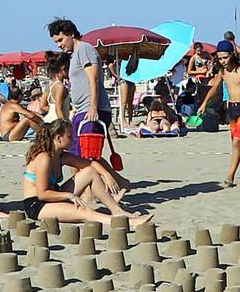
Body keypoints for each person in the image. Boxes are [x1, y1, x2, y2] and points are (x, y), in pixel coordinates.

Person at [22, 119, 152, 226]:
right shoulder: (44, 158)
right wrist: (69, 196)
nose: (73, 140)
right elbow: (43, 194)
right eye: (69, 136)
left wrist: (107, 175)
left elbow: (91, 164)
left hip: (54, 196)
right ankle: (129, 223)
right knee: (85, 211)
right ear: (58, 138)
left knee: (90, 171)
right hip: (37, 205)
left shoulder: (61, 156)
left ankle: (117, 211)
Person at [198, 40, 240, 187]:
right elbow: (215, 88)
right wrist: (205, 103)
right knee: (239, 144)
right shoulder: (223, 72)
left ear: (232, 55)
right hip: (231, 109)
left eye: (225, 57)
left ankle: (230, 176)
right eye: (220, 58)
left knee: (237, 141)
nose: (223, 61)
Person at [47, 18, 111, 152]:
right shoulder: (74, 54)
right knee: (75, 153)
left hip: (91, 111)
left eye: (61, 40)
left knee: (87, 154)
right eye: (56, 42)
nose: (59, 45)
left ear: (71, 34)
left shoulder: (84, 48)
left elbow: (94, 79)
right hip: (82, 111)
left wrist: (93, 107)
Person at [42, 52, 72, 123]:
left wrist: (52, 110)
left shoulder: (49, 85)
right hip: (58, 123)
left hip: (48, 120)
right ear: (64, 68)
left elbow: (42, 106)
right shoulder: (60, 87)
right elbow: (58, 109)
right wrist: (65, 126)